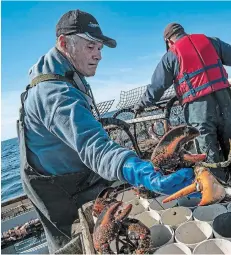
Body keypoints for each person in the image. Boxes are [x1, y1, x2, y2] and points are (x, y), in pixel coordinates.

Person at [17, 11, 195, 253]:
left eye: (99, 47)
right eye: (91, 46)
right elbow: (94, 147)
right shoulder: (54, 94)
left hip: (78, 173)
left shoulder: (68, 75)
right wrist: (139, 171)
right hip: (58, 189)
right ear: (63, 43)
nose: (99, 55)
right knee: (75, 245)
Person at [135, 23, 231, 186]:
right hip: (224, 101)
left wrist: (142, 104)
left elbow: (157, 86)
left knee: (206, 149)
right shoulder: (210, 41)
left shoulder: (171, 56)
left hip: (198, 108)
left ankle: (219, 188)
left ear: (169, 41)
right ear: (183, 32)